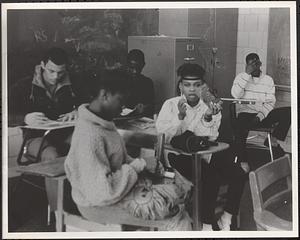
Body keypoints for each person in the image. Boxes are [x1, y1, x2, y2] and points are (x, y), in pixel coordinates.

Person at [64, 69, 192, 231]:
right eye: (121, 101)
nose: (123, 108)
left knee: (177, 200)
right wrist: (140, 164)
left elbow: (118, 160)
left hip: (116, 194)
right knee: (176, 217)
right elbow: (102, 192)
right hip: (97, 205)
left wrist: (144, 165)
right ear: (105, 95)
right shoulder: (89, 135)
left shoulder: (102, 123)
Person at [156, 63, 248, 231]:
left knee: (239, 174)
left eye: (197, 85)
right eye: (187, 85)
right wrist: (180, 117)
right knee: (211, 177)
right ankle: (206, 224)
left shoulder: (207, 107)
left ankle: (226, 219)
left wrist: (207, 118)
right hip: (176, 156)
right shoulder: (170, 104)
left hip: (203, 155)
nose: (192, 89)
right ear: (180, 86)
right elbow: (165, 135)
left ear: (202, 86)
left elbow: (210, 138)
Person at [8, 47, 80, 216]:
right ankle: (59, 215)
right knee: (52, 156)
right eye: (51, 71)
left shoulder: (73, 83)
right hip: (35, 139)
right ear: (42, 65)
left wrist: (78, 110)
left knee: (87, 146)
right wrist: (24, 118)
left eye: (61, 72)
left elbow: (89, 103)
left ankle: (86, 204)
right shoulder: (25, 84)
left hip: (64, 134)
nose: (56, 77)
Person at [231, 53, 291, 165]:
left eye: (256, 63)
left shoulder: (268, 80)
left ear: (260, 64)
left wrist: (260, 116)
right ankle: (243, 160)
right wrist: (247, 74)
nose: (254, 66)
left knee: (290, 111)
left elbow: (270, 103)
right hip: (246, 114)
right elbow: (236, 95)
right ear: (247, 65)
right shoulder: (241, 77)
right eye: (251, 64)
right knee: (240, 123)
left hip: (264, 114)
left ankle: (272, 140)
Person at [124, 49, 155, 118]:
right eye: (132, 67)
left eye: (138, 68)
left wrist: (144, 108)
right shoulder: (119, 81)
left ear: (143, 65)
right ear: (127, 65)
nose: (135, 71)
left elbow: (152, 106)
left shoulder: (147, 83)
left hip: (139, 120)